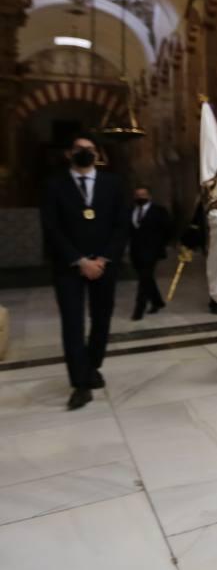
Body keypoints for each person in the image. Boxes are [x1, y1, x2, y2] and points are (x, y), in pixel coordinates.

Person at [39, 133, 129, 410]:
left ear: (97, 153)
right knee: (73, 323)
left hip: (104, 264)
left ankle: (92, 365)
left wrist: (103, 259)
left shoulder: (112, 183)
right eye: (79, 149)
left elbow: (121, 224)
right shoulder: (54, 186)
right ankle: (79, 383)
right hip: (69, 266)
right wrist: (79, 260)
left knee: (102, 319)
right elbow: (51, 228)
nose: (85, 153)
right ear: (69, 154)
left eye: (90, 149)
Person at [128, 185, 171, 320]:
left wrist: (160, 244)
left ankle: (138, 310)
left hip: (152, 251)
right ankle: (157, 301)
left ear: (149, 196)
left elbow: (168, 229)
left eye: (143, 194)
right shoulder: (130, 211)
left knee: (143, 279)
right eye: (138, 195)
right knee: (147, 278)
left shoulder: (159, 211)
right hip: (136, 251)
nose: (141, 197)